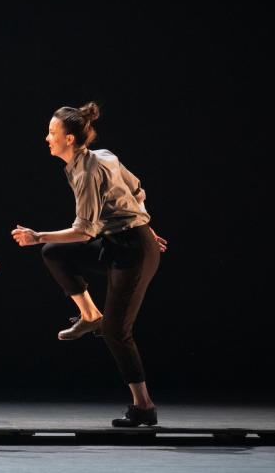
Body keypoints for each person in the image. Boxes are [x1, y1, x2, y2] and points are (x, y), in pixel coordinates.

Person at [11, 101, 167, 427]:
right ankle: (89, 314)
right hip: (120, 241)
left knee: (116, 332)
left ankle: (144, 406)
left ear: (69, 139)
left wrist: (37, 235)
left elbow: (84, 231)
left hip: (133, 251)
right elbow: (136, 190)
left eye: (52, 132)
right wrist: (145, 225)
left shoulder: (87, 171)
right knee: (55, 253)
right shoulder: (100, 156)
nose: (47, 138)